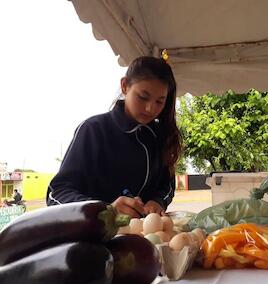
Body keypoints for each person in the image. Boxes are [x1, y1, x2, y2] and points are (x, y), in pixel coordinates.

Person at [46, 56, 182, 218]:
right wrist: (105, 210)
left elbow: (167, 185)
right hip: (95, 238)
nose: (150, 108)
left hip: (143, 237)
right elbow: (57, 193)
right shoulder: (93, 130)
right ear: (124, 86)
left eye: (160, 101)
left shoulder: (159, 137)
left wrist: (158, 201)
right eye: (143, 97)